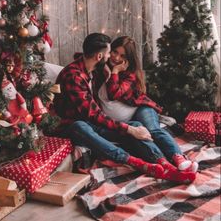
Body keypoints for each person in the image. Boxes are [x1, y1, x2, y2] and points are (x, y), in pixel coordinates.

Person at [54, 33, 195, 183]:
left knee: (137, 125)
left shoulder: (92, 69)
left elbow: (89, 58)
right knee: (81, 126)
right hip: (72, 125)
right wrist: (129, 130)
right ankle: (138, 163)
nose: (112, 57)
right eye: (110, 53)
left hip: (112, 116)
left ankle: (165, 165)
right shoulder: (74, 77)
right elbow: (94, 115)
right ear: (100, 56)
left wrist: (132, 128)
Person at [98, 35, 198, 182]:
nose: (116, 57)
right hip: (128, 120)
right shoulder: (101, 68)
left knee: (153, 130)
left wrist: (116, 71)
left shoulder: (128, 75)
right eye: (114, 52)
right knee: (142, 136)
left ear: (128, 59)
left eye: (122, 55)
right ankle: (164, 163)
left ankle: (179, 158)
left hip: (140, 109)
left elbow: (114, 93)